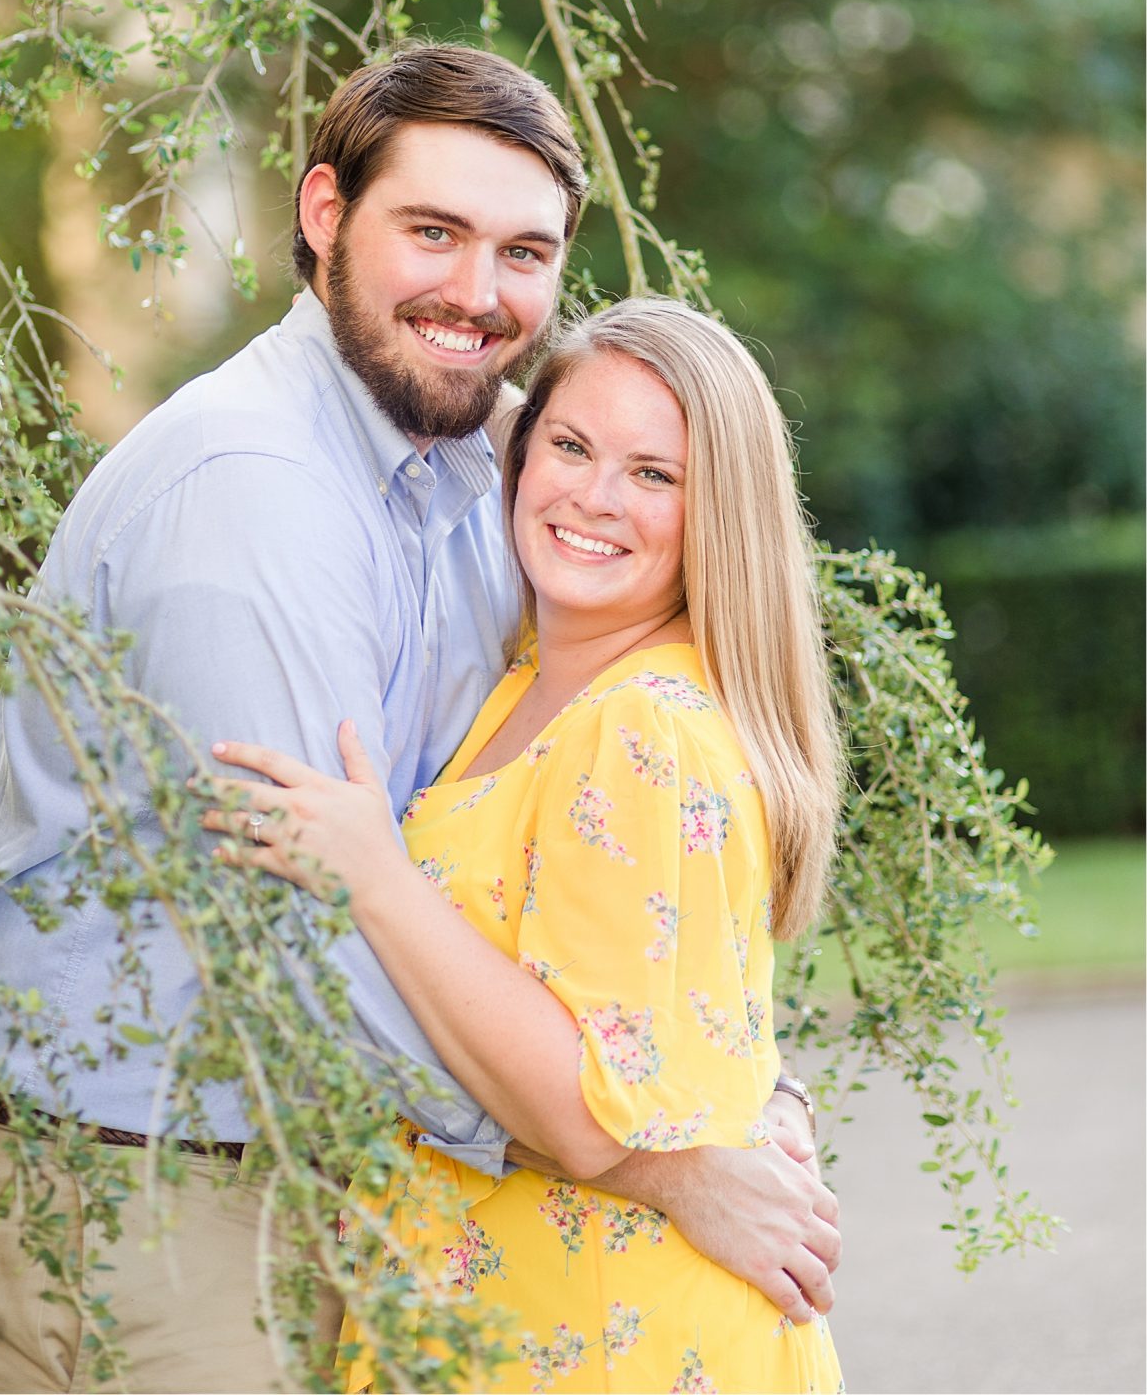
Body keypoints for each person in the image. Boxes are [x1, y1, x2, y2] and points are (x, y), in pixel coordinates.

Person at [0, 44, 838, 1394]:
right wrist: (660, 1159)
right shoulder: (254, 498)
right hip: (139, 1215)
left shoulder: (487, 473)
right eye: (433, 233)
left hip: (332, 1205)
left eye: (522, 252)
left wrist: (736, 1090)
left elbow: (625, 877)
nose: (475, 292)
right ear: (324, 215)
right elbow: (311, 950)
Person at [201, 297, 845, 1393]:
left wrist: (375, 875)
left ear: (718, 514)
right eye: (571, 445)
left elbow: (585, 1108)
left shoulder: (643, 723)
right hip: (497, 1306)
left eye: (655, 474)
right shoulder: (531, 682)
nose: (592, 496)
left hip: (609, 1331)